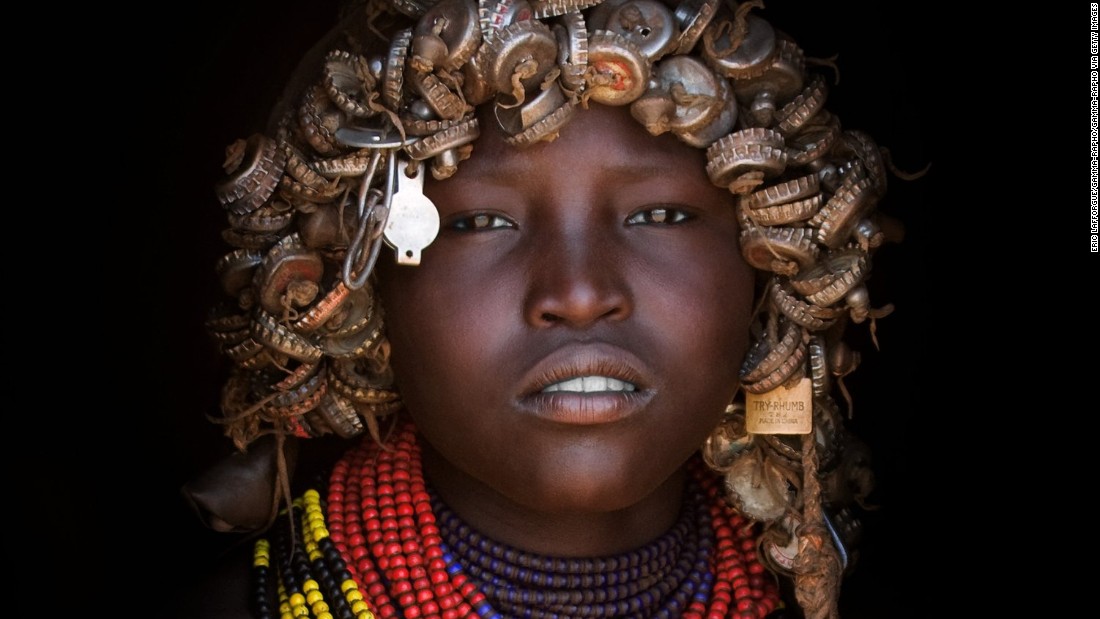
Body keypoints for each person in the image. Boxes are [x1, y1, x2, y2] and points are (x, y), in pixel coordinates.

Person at [170, 1, 929, 617]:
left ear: (772, 272)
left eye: (659, 216)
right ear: (360, 294)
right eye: (479, 223)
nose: (577, 293)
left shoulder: (818, 596)